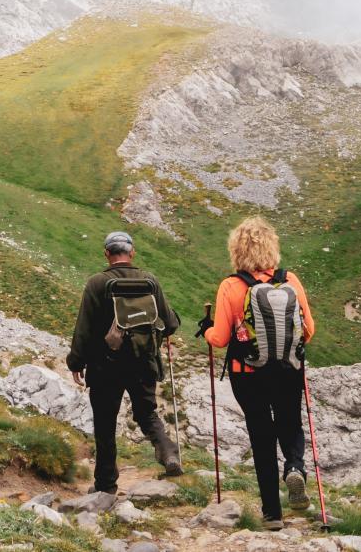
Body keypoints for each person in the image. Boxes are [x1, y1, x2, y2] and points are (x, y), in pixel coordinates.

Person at [197, 216, 315, 530]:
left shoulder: (231, 286)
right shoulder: (290, 280)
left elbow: (220, 338)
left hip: (247, 373)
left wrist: (208, 330)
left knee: (261, 436)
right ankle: (294, 467)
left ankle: (272, 514)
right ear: (272, 247)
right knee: (290, 423)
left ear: (236, 250)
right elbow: (309, 330)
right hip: (288, 368)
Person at [67, 231, 182, 494]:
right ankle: (168, 452)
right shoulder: (150, 281)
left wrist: (76, 362)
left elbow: (83, 327)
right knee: (146, 413)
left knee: (105, 423)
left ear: (107, 254)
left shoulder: (97, 283)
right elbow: (171, 323)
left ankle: (106, 485)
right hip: (143, 362)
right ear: (132, 252)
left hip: (104, 366)